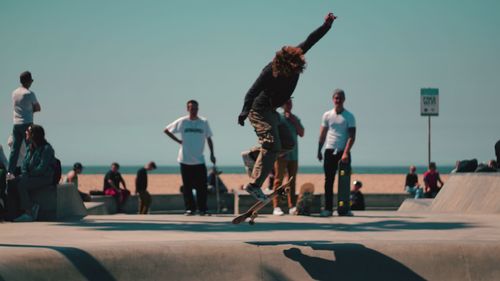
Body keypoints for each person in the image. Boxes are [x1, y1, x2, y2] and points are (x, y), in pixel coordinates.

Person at [238, 12, 337, 201]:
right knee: (271, 145)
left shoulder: (297, 54)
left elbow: (311, 39)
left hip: (273, 112)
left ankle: (253, 155)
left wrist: (326, 26)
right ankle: (254, 185)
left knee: (288, 143)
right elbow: (252, 90)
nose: (294, 73)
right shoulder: (269, 70)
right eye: (290, 71)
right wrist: (244, 111)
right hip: (258, 111)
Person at [164, 100, 216, 216]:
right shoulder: (182, 121)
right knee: (187, 187)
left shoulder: (203, 122)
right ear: (188, 109)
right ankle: (190, 209)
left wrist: (212, 154)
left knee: (201, 187)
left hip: (199, 160)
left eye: (196, 108)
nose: (194, 111)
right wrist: (178, 141)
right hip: (184, 159)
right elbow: (166, 130)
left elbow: (209, 138)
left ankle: (203, 209)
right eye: (192, 108)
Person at [317, 89, 356, 217]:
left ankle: (344, 208)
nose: (337, 100)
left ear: (344, 100)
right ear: (333, 99)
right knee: (328, 181)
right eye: (336, 98)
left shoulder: (349, 116)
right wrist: (319, 150)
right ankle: (328, 208)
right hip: (329, 151)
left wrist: (345, 153)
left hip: (343, 152)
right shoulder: (327, 115)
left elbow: (352, 136)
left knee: (344, 182)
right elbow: (322, 134)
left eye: (340, 98)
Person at [12, 124, 55, 222]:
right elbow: (24, 165)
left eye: (28, 131)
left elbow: (42, 168)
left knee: (22, 184)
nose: (26, 132)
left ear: (34, 134)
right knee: (12, 182)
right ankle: (13, 212)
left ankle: (29, 211)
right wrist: (25, 173)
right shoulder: (30, 148)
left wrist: (28, 175)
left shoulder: (47, 149)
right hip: (30, 176)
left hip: (44, 178)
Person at [272, 99, 304, 216]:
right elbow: (274, 134)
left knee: (292, 181)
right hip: (281, 155)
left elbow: (301, 133)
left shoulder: (295, 118)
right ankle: (276, 206)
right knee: (278, 180)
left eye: (290, 103)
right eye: (286, 103)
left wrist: (294, 120)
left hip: (294, 155)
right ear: (282, 105)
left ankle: (292, 206)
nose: (289, 105)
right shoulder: (279, 118)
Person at [7, 71, 41, 180]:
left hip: (16, 123)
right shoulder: (29, 93)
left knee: (15, 149)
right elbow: (38, 108)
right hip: (27, 123)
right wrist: (30, 110)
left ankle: (10, 172)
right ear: (28, 81)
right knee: (29, 148)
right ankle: (28, 170)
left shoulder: (14, 93)